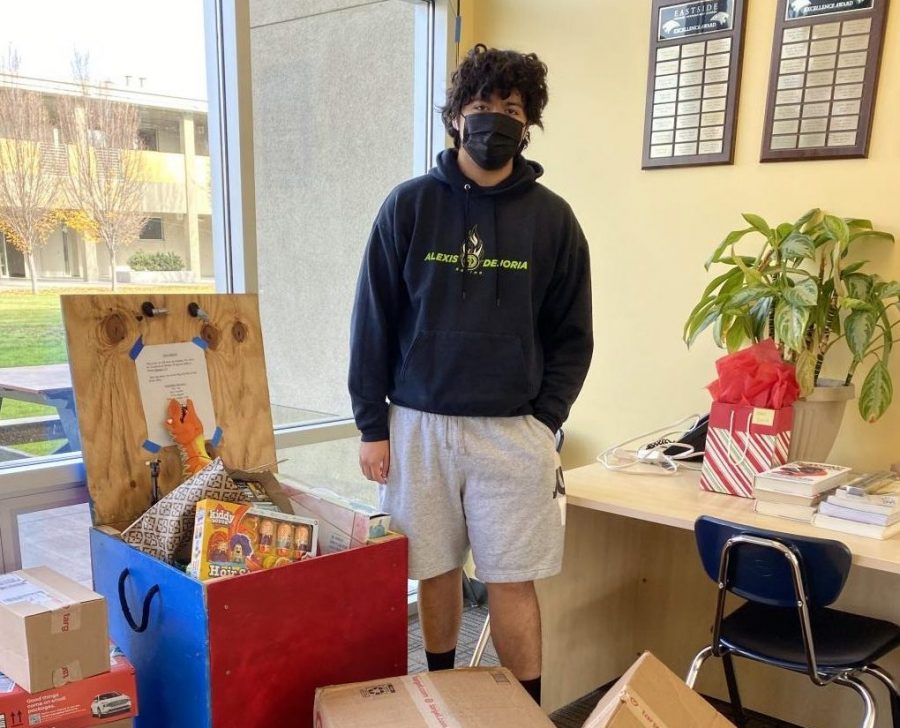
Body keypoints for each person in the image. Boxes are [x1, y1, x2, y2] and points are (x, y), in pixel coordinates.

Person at [348, 43, 593, 704]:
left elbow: (573, 337)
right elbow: (372, 321)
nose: (494, 118)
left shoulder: (554, 222)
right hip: (418, 426)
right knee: (434, 570)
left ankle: (527, 709)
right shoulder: (407, 208)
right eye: (480, 105)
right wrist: (373, 425)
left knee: (513, 579)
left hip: (514, 432)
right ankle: (443, 693)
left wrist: (546, 423)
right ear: (455, 116)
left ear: (528, 123)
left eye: (510, 108)